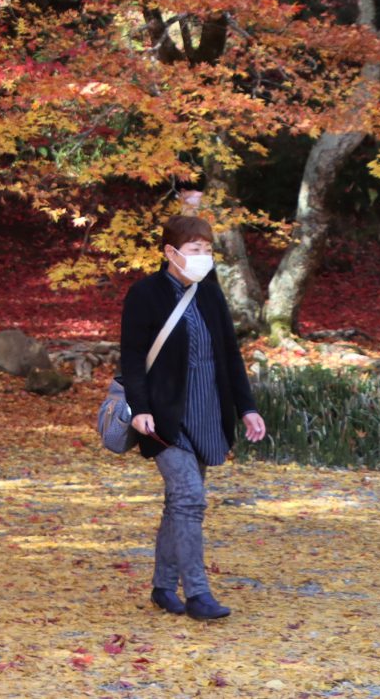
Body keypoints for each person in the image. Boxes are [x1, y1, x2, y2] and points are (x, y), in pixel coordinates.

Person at [119, 215, 266, 620]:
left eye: (207, 250)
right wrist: (141, 408)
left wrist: (247, 408)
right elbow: (132, 358)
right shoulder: (144, 294)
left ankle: (164, 586)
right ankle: (198, 594)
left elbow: (230, 357)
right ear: (170, 252)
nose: (203, 258)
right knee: (189, 498)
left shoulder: (211, 295)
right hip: (163, 417)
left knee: (179, 504)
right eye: (194, 250)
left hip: (207, 413)